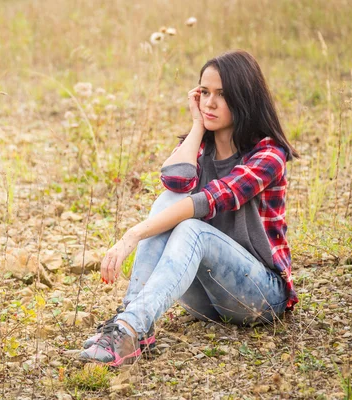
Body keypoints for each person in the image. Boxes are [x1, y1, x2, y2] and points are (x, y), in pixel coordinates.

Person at [78, 50, 299, 367]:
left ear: (244, 97)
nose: (210, 103)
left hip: (260, 297)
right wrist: (197, 126)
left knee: (191, 224)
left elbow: (209, 199)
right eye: (204, 92)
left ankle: (128, 326)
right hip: (208, 300)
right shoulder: (199, 147)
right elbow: (174, 183)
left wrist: (133, 234)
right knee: (170, 201)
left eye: (222, 95)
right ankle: (132, 325)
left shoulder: (268, 154)